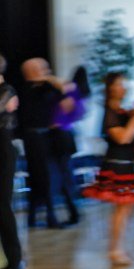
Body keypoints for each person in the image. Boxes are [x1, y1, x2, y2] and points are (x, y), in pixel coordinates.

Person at [82, 72, 134, 265]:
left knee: (125, 209)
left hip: (126, 164)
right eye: (120, 84)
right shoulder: (110, 112)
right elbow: (123, 138)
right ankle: (114, 250)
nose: (124, 88)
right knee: (122, 209)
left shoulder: (120, 111)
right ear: (111, 88)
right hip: (117, 165)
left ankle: (118, 248)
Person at [19, 57, 72, 229]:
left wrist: (53, 82)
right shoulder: (23, 90)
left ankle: (40, 217)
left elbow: (67, 103)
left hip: (46, 137)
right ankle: (47, 217)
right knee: (40, 177)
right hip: (33, 138)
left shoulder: (48, 88)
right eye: (42, 68)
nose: (46, 71)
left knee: (47, 177)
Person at [48, 65, 91, 227]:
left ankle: (74, 212)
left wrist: (48, 78)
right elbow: (80, 114)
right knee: (66, 174)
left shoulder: (70, 88)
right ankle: (74, 210)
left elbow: (66, 105)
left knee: (63, 175)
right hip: (67, 133)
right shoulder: (81, 93)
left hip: (59, 135)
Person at [0, 53, 25, 269]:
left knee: (3, 206)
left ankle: (16, 260)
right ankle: (9, 258)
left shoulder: (7, 90)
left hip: (3, 153)